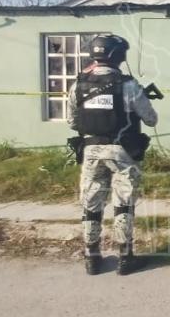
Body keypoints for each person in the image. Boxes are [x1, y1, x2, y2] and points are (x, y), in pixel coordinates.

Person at [68, 34, 158, 276]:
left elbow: (72, 122)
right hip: (122, 151)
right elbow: (151, 119)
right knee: (123, 203)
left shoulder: (78, 84)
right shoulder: (128, 85)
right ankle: (125, 257)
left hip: (91, 151)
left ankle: (91, 257)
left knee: (91, 203)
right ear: (118, 56)